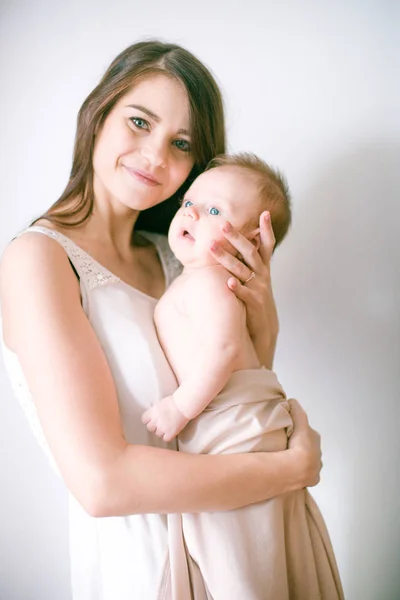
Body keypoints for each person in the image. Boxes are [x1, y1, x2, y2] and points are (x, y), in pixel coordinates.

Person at [0, 41, 323, 600]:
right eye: (139, 121)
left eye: (180, 144)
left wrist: (262, 315)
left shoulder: (178, 255)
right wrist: (291, 471)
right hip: (141, 565)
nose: (155, 156)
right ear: (98, 114)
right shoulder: (39, 259)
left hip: (233, 545)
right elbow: (103, 484)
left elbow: (235, 409)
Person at [143, 153, 344, 599]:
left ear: (251, 242)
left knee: (239, 555)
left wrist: (180, 407)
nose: (191, 212)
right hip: (233, 427)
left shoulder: (212, 282)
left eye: (214, 210)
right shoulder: (194, 278)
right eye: (189, 201)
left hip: (236, 428)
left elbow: (225, 349)